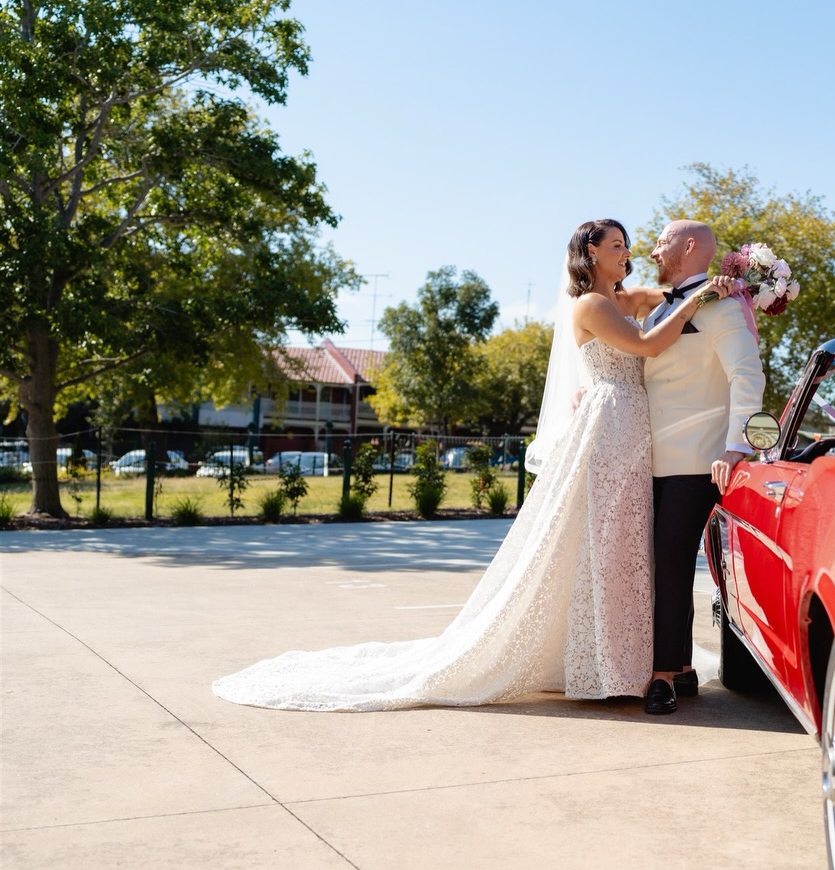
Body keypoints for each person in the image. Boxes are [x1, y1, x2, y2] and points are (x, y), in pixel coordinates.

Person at [212, 219, 738, 710]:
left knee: (629, 547)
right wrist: (698, 303)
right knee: (603, 544)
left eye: (628, 245)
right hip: (609, 429)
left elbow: (675, 296)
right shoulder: (588, 306)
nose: (629, 254)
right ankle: (604, 662)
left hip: (635, 430)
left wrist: (739, 281)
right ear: (591, 254)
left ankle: (633, 661)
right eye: (618, 246)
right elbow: (648, 342)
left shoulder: (626, 298)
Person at [639, 220, 765, 715]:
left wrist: (736, 447)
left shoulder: (724, 305)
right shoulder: (661, 306)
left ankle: (663, 675)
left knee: (670, 560)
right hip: (647, 459)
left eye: (663, 240)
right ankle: (686, 668)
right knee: (657, 561)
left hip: (699, 460)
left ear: (689, 246)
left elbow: (746, 375)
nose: (654, 248)